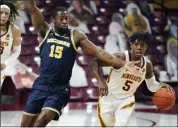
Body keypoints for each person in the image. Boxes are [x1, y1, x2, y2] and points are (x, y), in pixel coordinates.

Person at [20, 0, 139, 127]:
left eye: (67, 18)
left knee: (41, 121)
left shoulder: (75, 35)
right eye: (61, 18)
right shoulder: (44, 31)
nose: (65, 21)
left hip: (60, 89)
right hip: (41, 86)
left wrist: (123, 63)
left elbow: (99, 52)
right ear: (54, 19)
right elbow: (32, 8)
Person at [89, 32, 175, 127]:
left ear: (146, 47)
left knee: (121, 124)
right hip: (108, 98)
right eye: (136, 44)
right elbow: (94, 62)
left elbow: (151, 86)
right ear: (131, 45)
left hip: (126, 99)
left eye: (142, 45)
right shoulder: (121, 57)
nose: (139, 47)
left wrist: (161, 85)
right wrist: (100, 80)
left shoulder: (147, 65)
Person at [0, 1, 21, 88]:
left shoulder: (15, 30)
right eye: (1, 12)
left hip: (2, 66)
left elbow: (17, 51)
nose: (4, 15)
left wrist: (6, 63)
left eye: (6, 13)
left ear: (9, 16)